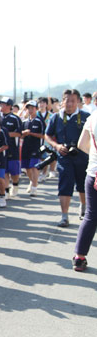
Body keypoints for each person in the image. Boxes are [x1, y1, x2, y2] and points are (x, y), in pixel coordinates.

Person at [45, 89, 91, 227]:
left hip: (83, 157)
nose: (69, 103)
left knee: (83, 186)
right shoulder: (56, 117)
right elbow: (47, 135)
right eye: (67, 100)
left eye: (73, 100)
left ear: (78, 102)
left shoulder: (86, 116)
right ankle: (64, 216)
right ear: (62, 101)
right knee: (65, 186)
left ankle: (84, 208)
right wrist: (56, 146)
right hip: (64, 157)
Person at [71, 108, 97, 271]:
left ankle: (79, 257)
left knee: (91, 215)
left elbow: (81, 144)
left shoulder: (93, 117)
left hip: (93, 173)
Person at [0, 98, 23, 201]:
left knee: (14, 172)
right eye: (0, 104)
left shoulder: (15, 118)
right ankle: (6, 191)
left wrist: (5, 134)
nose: (1, 106)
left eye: (3, 104)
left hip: (13, 148)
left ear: (9, 106)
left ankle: (15, 185)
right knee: (5, 171)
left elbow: (19, 133)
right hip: (1, 149)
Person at [21, 101, 45, 196]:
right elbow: (21, 135)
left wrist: (31, 133)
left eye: (32, 108)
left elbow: (43, 135)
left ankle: (34, 187)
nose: (30, 110)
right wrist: (23, 133)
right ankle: (32, 182)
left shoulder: (39, 121)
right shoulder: (24, 122)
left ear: (36, 109)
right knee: (27, 167)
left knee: (34, 166)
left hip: (36, 147)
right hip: (26, 146)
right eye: (29, 108)